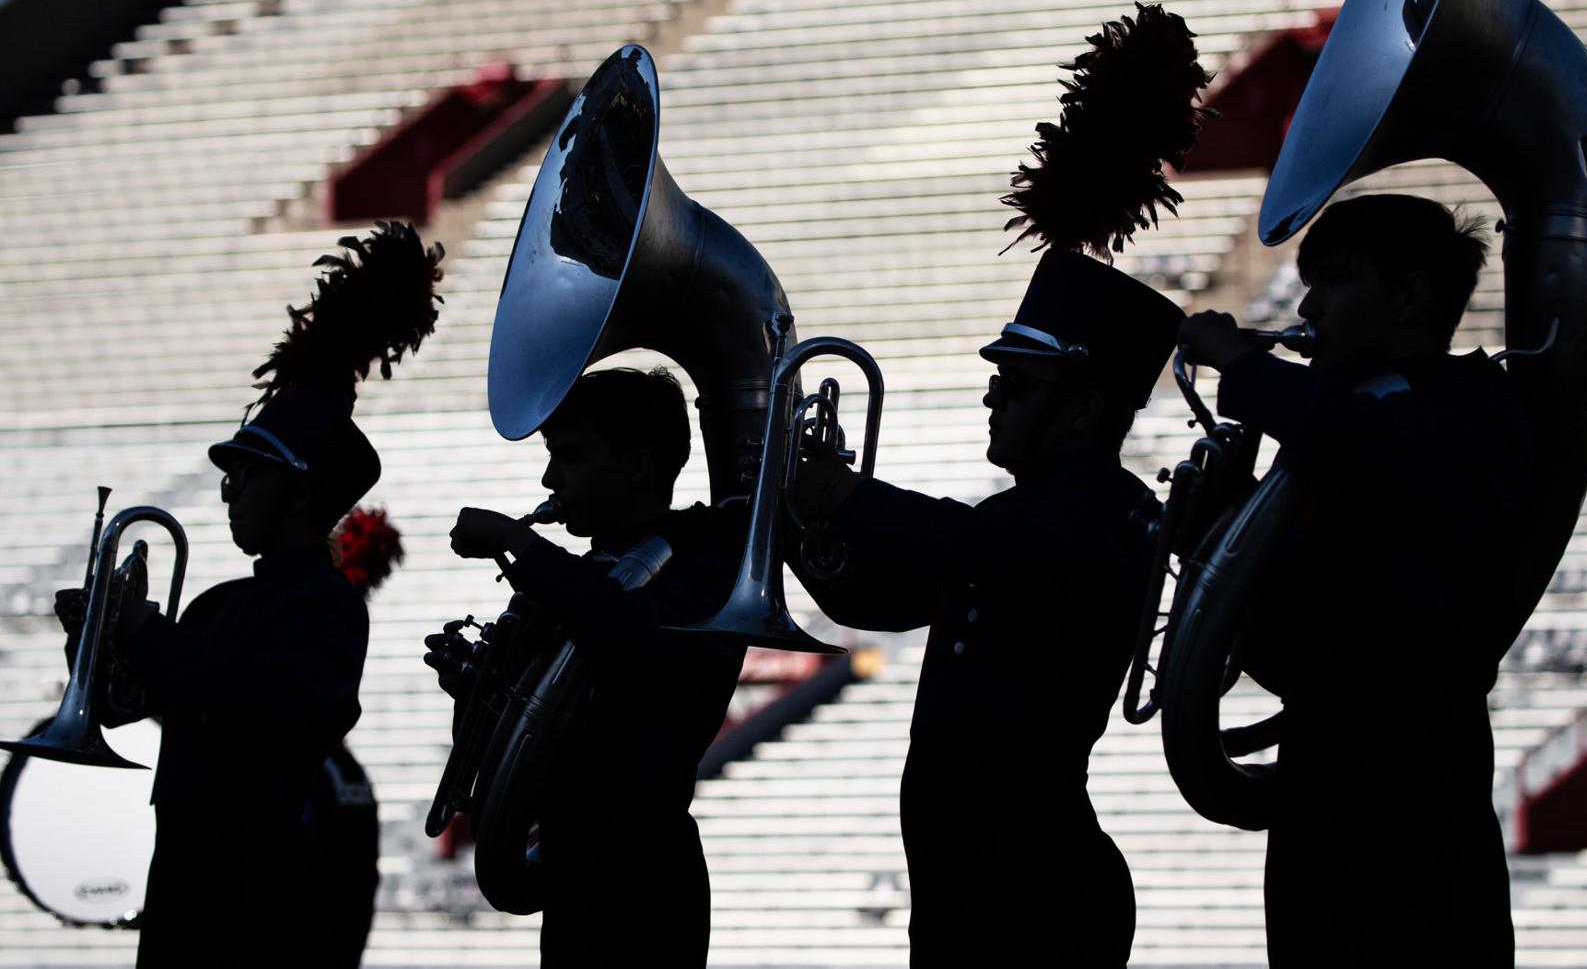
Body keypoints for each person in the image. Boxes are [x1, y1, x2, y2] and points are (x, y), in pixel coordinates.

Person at [52, 222, 443, 968]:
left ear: (298, 495)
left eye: (249, 478)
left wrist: (141, 630)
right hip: (181, 880)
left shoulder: (325, 609)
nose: (230, 493)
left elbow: (250, 701)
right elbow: (124, 706)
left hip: (259, 893)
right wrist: (97, 638)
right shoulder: (220, 604)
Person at [790, 243, 1182, 965]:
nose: (991, 398)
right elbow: (882, 599)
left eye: (1019, 384)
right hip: (967, 891)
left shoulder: (1108, 512)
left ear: (1084, 410)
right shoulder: (1023, 518)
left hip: (1036, 893)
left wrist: (844, 497)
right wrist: (782, 511)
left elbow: (971, 544)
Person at [1177, 193, 1529, 967]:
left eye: (1333, 281)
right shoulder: (1331, 433)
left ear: (1409, 296)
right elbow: (1286, 650)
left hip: (1417, 797)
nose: (1307, 307)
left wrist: (1247, 371)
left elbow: (1392, 464)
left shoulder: (1474, 411)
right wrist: (1214, 530)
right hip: (1322, 788)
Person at [439, 366, 747, 968]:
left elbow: (628, 635)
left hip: (645, 882)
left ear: (637, 465)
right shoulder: (580, 581)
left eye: (571, 457)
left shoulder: (699, 564)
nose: (551, 478)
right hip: (574, 873)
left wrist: (518, 543)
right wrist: (478, 691)